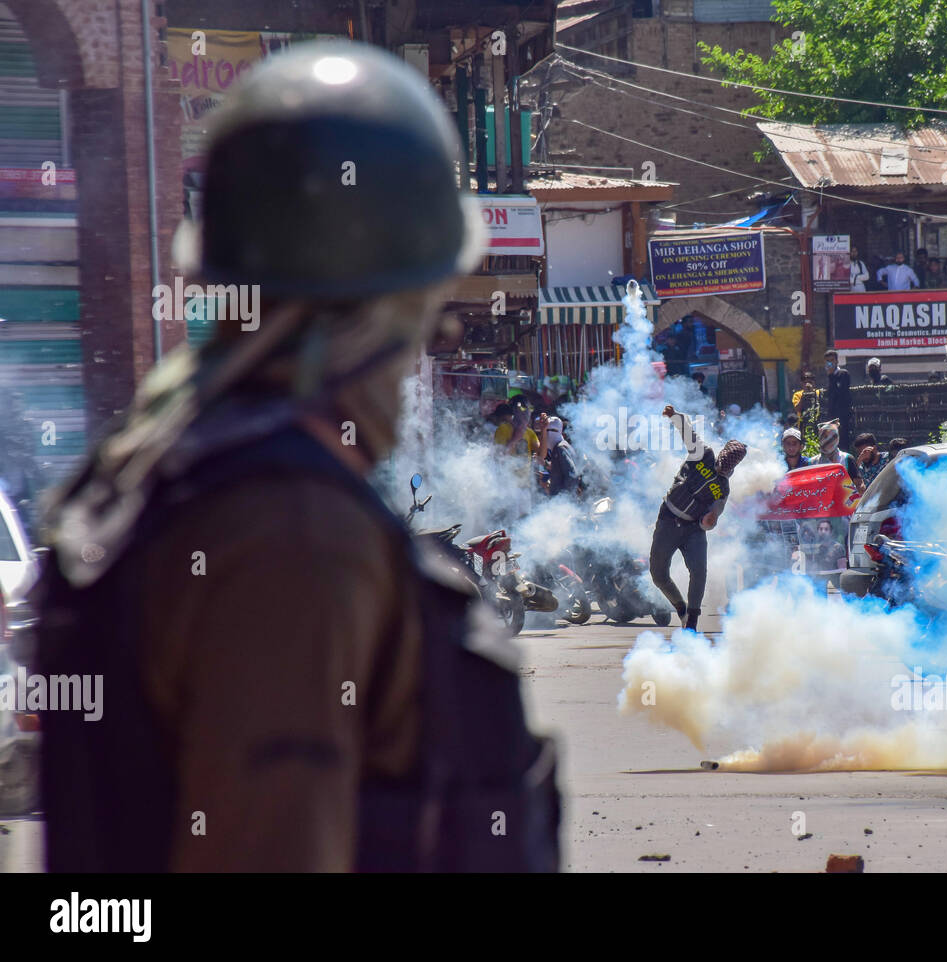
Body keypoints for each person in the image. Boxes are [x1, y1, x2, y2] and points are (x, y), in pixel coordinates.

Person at [32, 43, 558, 872]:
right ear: (373, 309)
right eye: (425, 306)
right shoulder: (288, 529)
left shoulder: (173, 465)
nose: (440, 336)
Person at [650, 404, 747, 632]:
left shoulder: (723, 488)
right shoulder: (704, 454)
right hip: (668, 518)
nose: (726, 464)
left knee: (699, 571)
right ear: (722, 452)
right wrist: (674, 416)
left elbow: (714, 515)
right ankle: (680, 607)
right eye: (727, 458)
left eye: (732, 462)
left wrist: (709, 520)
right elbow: (688, 433)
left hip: (694, 529)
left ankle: (692, 619)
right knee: (658, 574)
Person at [538, 414, 580, 497]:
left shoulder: (560, 447)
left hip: (564, 501)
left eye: (552, 430)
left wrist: (564, 498)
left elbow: (572, 475)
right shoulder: (558, 447)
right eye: (547, 431)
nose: (549, 434)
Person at [815, 420, 863, 492]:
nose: (829, 441)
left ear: (838, 438)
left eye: (833, 437)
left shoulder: (847, 459)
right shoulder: (812, 462)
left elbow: (859, 485)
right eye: (825, 436)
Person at [792, 370, 822, 458]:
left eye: (810, 382)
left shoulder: (818, 393)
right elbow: (797, 408)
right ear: (802, 383)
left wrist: (812, 392)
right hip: (803, 425)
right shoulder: (797, 394)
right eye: (805, 382)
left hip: (816, 422)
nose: (808, 384)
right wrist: (804, 394)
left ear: (814, 383)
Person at [824, 349, 853, 438]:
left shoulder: (843, 374)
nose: (830, 363)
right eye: (828, 361)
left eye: (832, 360)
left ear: (837, 361)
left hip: (842, 414)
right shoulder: (830, 376)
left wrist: (831, 376)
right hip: (832, 415)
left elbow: (841, 393)